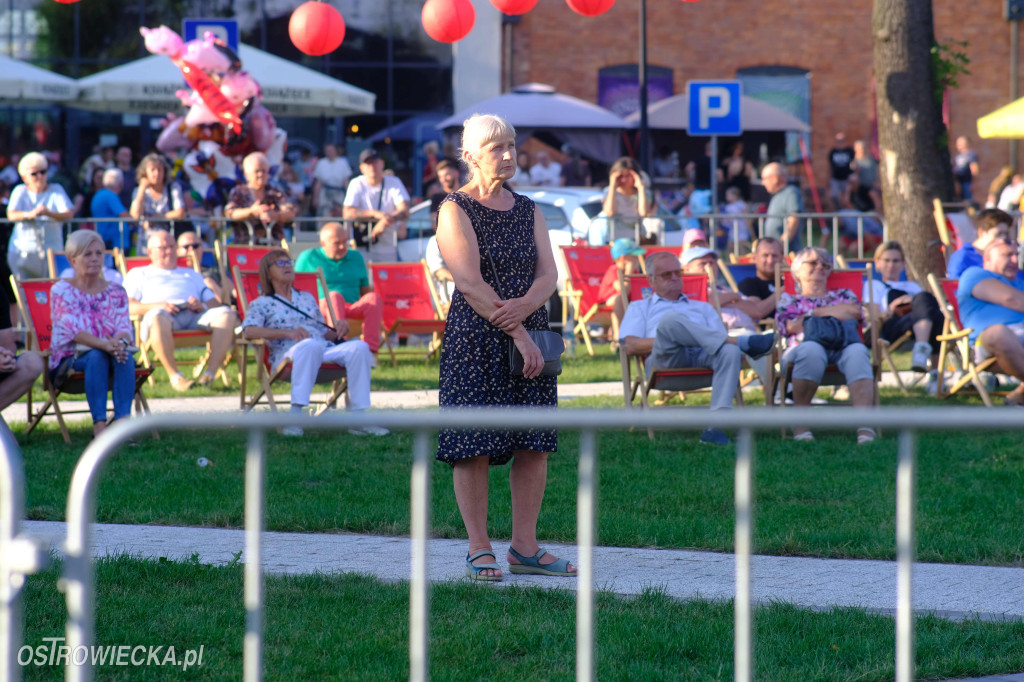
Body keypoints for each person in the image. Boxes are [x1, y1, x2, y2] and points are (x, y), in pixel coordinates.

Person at [435, 113, 574, 582]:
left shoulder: (529, 207)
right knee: (472, 444)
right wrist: (516, 329)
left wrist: (527, 312)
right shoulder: (455, 208)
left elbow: (549, 274)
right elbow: (470, 283)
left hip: (530, 336)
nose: (509, 155)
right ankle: (479, 547)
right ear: (471, 155)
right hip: (477, 339)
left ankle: (525, 548)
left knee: (533, 443)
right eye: (497, 148)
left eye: (512, 145)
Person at [619, 251, 775, 445]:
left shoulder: (703, 307)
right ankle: (743, 342)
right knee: (670, 321)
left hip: (703, 360)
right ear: (651, 280)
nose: (675, 278)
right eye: (667, 274)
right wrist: (673, 339)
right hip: (665, 361)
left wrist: (693, 340)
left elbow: (719, 343)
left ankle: (714, 428)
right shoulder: (639, 307)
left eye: (678, 273)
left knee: (729, 350)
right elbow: (630, 345)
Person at [241, 250, 387, 436]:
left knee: (359, 347)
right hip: (287, 356)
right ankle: (295, 416)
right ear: (268, 273)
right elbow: (249, 330)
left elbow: (322, 332)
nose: (288, 266)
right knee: (310, 345)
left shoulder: (306, 298)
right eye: (280, 263)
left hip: (321, 349)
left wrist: (337, 330)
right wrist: (288, 333)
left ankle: (359, 418)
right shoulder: (261, 303)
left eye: (289, 262)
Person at [775, 247, 876, 443]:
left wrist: (812, 315)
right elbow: (791, 326)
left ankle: (865, 427)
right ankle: (800, 423)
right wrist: (833, 311)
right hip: (803, 347)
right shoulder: (789, 299)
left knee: (858, 351)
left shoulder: (844, 293)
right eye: (813, 263)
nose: (820, 267)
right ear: (797, 271)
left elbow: (855, 313)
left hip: (843, 344)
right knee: (811, 349)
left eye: (825, 264)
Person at [122, 230, 237, 391]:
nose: (169, 251)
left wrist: (201, 305)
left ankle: (210, 375)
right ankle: (176, 377)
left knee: (227, 315)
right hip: (162, 318)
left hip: (194, 316)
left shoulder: (192, 274)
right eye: (163, 248)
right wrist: (157, 306)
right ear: (150, 252)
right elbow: (127, 306)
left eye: (171, 246)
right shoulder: (138, 274)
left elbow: (213, 303)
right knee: (157, 317)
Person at [49, 230, 135, 438]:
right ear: (73, 260)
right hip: (68, 361)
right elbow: (73, 330)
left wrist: (119, 343)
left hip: (110, 353)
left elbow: (125, 327)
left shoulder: (116, 291)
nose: (95, 259)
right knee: (96, 356)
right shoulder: (61, 290)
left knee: (124, 354)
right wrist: (105, 345)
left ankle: (124, 424)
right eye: (88, 254)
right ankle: (100, 427)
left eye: (99, 253)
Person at [294, 222, 383, 355]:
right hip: (321, 309)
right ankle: (341, 346)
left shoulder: (356, 257)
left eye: (345, 242)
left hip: (351, 307)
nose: (342, 247)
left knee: (373, 298)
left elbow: (365, 291)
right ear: (323, 243)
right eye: (337, 243)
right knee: (334, 296)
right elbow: (294, 289)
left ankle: (370, 351)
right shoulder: (308, 258)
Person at [956, 238, 1024, 406]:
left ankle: (1018, 396)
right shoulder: (975, 274)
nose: (1015, 261)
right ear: (987, 258)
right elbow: (1012, 299)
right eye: (1007, 255)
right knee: (999, 333)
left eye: (1017, 255)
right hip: (986, 343)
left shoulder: (1020, 281)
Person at [862, 241, 942, 373]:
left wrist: (911, 300)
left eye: (895, 261)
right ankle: (932, 369)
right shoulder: (874, 285)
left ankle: (923, 354)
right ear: (877, 262)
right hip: (890, 328)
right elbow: (873, 318)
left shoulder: (912, 286)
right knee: (926, 303)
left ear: (903, 263)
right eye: (886, 260)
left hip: (916, 324)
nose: (891, 265)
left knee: (932, 309)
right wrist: (892, 308)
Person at [6, 152, 75, 279]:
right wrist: (29, 214)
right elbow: (11, 214)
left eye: (43, 172)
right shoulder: (19, 191)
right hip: (23, 252)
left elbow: (69, 214)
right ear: (24, 177)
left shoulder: (56, 189)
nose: (40, 176)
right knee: (25, 293)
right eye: (34, 173)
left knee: (53, 291)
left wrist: (48, 213)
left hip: (52, 252)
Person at [342, 148, 410, 263]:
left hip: (387, 246)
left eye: (375, 162)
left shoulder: (394, 182)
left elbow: (405, 209)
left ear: (382, 164)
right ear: (361, 168)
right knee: (365, 279)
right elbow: (347, 212)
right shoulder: (356, 183)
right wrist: (375, 214)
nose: (372, 166)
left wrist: (385, 221)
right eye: (368, 163)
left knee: (387, 278)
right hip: (362, 245)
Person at [225, 152, 296, 245]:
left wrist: (275, 215)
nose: (261, 174)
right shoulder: (238, 192)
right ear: (247, 175)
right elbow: (230, 213)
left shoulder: (275, 191)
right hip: (246, 246)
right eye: (257, 171)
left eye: (264, 171)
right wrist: (252, 212)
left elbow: (290, 211)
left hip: (274, 245)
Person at [129, 153, 185, 254]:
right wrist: (142, 188)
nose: (157, 173)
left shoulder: (173, 188)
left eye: (160, 169)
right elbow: (135, 215)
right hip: (145, 243)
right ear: (145, 172)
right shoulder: (138, 191)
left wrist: (156, 217)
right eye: (153, 170)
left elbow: (180, 213)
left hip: (168, 241)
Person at [597, 156, 653, 244]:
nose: (623, 180)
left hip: (637, 240)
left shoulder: (644, 193)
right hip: (615, 240)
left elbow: (643, 213)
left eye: (628, 176)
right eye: (620, 176)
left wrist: (641, 188)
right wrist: (613, 186)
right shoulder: (608, 191)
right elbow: (610, 212)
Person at [946, 208, 1013, 279]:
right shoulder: (962, 257)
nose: (1003, 239)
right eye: (998, 234)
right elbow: (955, 286)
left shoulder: (1009, 255)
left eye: (1006, 234)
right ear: (981, 233)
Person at [737, 237, 784, 321]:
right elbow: (758, 311)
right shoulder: (748, 284)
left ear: (781, 258)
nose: (770, 261)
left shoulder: (789, 282)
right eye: (765, 255)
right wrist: (783, 290)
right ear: (754, 258)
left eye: (775, 256)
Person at [760, 162, 803, 252]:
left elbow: (794, 218)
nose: (762, 183)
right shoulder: (777, 195)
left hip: (788, 252)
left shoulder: (791, 192)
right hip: (776, 251)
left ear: (775, 178)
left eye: (765, 179)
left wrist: (782, 243)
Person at [91, 168, 132, 252]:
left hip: (106, 240)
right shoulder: (110, 195)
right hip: (115, 243)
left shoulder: (99, 194)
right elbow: (124, 215)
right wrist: (136, 219)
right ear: (120, 184)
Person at [177, 230, 222, 301]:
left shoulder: (215, 270)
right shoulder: (174, 274)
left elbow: (233, 291)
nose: (191, 250)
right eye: (186, 246)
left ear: (202, 248)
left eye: (195, 246)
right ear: (177, 250)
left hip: (217, 308)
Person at [312, 143, 352, 216]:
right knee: (323, 214)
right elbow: (318, 182)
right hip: (325, 192)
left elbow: (346, 182)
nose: (329, 152)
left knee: (341, 213)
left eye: (331, 150)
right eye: (327, 150)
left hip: (339, 192)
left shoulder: (342, 162)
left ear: (335, 151)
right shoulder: (321, 163)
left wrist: (349, 197)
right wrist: (315, 198)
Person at [827, 133, 855, 209]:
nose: (840, 142)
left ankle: (847, 212)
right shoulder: (833, 152)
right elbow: (830, 167)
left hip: (847, 178)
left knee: (846, 198)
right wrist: (828, 180)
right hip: (836, 178)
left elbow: (854, 164)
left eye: (841, 140)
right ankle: (839, 212)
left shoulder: (849, 151)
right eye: (838, 141)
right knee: (834, 196)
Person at [952, 135, 980, 203]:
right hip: (958, 181)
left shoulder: (971, 154)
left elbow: (974, 169)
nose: (958, 145)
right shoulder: (958, 155)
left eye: (960, 143)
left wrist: (973, 182)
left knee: (967, 200)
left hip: (967, 181)